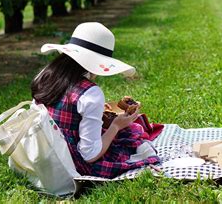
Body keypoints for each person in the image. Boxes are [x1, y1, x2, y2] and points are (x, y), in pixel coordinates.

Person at [31, 22, 159, 178]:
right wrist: (116, 126)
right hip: (69, 163)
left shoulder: (46, 75)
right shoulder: (90, 92)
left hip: (41, 151)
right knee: (130, 134)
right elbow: (89, 154)